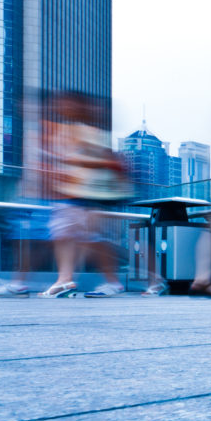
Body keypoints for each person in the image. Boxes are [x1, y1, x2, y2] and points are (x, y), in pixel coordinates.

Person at [40, 92, 133, 298]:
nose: (61, 107)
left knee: (90, 240)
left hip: (89, 195)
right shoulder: (64, 130)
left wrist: (76, 161)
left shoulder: (89, 131)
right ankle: (65, 280)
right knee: (65, 235)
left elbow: (112, 162)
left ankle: (110, 281)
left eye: (66, 103)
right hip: (70, 193)